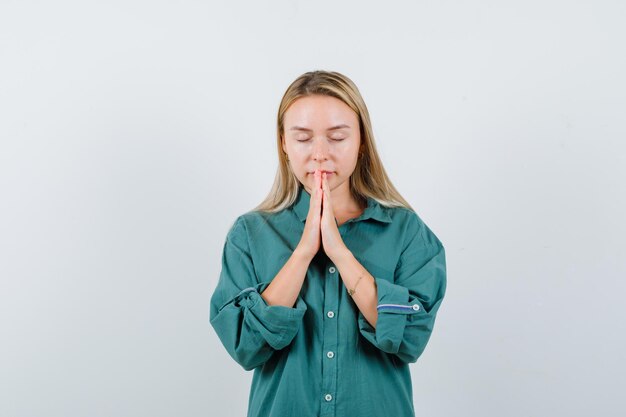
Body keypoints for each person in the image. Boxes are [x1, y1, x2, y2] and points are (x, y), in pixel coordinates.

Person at [209, 70, 447, 417]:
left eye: (337, 137)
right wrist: (304, 251)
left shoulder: (407, 232)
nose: (320, 154)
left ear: (361, 140)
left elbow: (411, 337)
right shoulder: (249, 234)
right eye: (303, 138)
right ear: (284, 144)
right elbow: (245, 346)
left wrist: (339, 253)